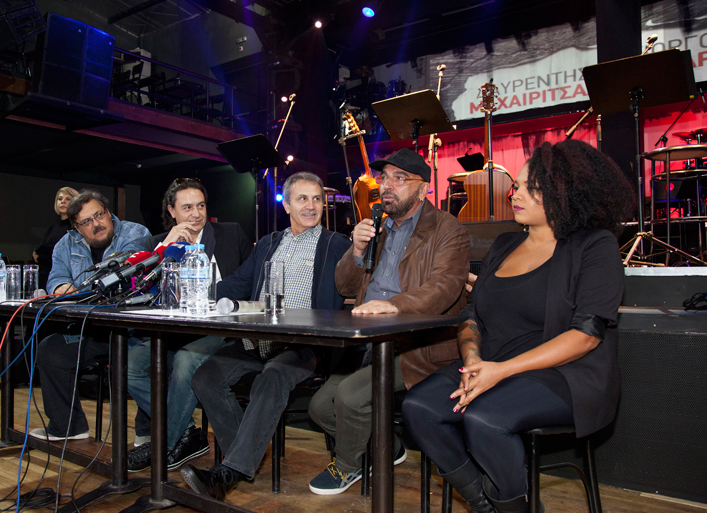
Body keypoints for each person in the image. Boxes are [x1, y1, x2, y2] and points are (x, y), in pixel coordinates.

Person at [401, 139, 633, 513]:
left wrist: (501, 371)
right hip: (492, 363)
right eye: (517, 186)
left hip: (564, 374)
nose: (515, 194)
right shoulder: (504, 244)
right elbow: (472, 315)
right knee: (418, 407)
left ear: (566, 194)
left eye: (531, 188)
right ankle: (486, 504)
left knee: (485, 418)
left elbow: (587, 336)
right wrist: (473, 359)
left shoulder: (594, 246)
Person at [307, 148, 470, 495]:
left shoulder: (447, 228)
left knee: (349, 397)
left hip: (417, 345)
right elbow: (344, 286)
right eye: (384, 178)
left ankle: (348, 466)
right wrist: (356, 250)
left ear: (423, 188)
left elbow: (445, 287)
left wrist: (392, 306)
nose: (387, 186)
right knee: (320, 407)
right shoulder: (377, 225)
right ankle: (389, 445)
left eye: (400, 178)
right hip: (370, 338)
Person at [180, 172, 351, 500]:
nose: (311, 206)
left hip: (302, 346)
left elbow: (354, 280)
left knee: (271, 377)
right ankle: (243, 455)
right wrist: (196, 295)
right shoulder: (269, 244)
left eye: (317, 199)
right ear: (286, 205)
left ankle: (228, 472)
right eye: (302, 199)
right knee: (205, 377)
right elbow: (238, 283)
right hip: (255, 341)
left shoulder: (335, 244)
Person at [126, 178, 252, 472]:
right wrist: (166, 247)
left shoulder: (231, 233)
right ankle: (186, 432)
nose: (196, 214)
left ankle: (164, 443)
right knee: (128, 365)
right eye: (187, 208)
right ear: (172, 211)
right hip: (176, 332)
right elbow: (143, 290)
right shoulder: (158, 244)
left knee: (185, 362)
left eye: (201, 206)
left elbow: (250, 280)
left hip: (223, 329)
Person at [30, 190, 151, 441]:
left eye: (99, 215)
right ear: (76, 227)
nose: (96, 224)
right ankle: (68, 427)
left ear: (108, 212)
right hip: (93, 328)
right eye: (87, 221)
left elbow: (123, 278)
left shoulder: (135, 234)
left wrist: (82, 291)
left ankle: (149, 432)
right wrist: (61, 287)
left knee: (146, 360)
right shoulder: (65, 244)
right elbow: (56, 279)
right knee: (50, 350)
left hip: (134, 330)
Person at [33, 187, 79, 286]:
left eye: (68, 199)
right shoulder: (51, 228)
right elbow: (38, 254)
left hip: (65, 280)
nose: (63, 201)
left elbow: (62, 255)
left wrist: (43, 253)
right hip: (44, 277)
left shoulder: (76, 229)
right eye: (60, 199)